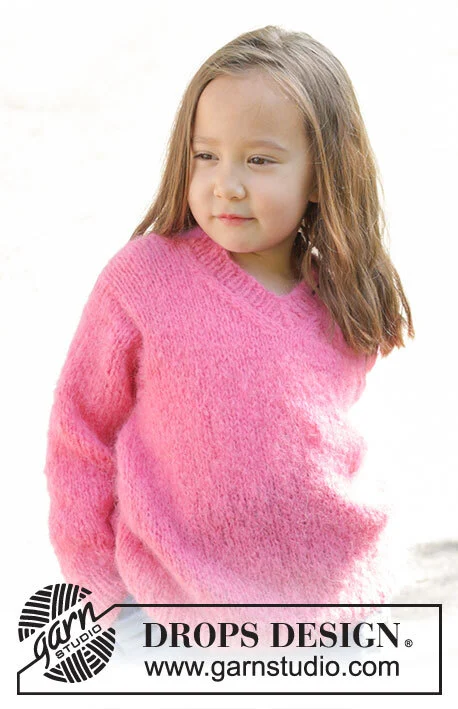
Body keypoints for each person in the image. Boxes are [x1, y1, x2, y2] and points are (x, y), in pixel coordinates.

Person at [44, 25, 414, 664]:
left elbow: (319, 448)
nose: (226, 184)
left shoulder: (342, 292)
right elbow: (79, 435)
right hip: (169, 615)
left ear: (323, 174)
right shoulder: (143, 280)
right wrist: (96, 587)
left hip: (336, 616)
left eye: (260, 160)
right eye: (206, 155)